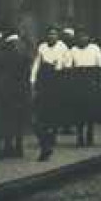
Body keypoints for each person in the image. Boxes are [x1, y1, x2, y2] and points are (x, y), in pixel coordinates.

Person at [31, 25, 72, 161]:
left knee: (54, 111)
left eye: (54, 34)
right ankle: (46, 141)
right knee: (40, 114)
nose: (51, 37)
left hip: (57, 79)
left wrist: (60, 70)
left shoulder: (62, 47)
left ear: (58, 36)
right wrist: (33, 80)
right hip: (44, 80)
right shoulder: (42, 47)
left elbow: (67, 64)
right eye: (49, 34)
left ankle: (51, 137)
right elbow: (36, 64)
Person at [68, 29, 101, 147]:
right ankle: (80, 136)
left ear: (88, 37)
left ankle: (90, 132)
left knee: (90, 109)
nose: (82, 39)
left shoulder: (95, 48)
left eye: (84, 36)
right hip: (78, 80)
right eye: (79, 36)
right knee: (79, 110)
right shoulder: (73, 50)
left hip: (91, 80)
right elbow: (69, 68)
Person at [0, 30, 31, 158]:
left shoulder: (4, 55)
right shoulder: (24, 56)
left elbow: (0, 73)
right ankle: (18, 147)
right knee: (18, 121)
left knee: (8, 120)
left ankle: (8, 146)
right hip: (20, 92)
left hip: (8, 92)